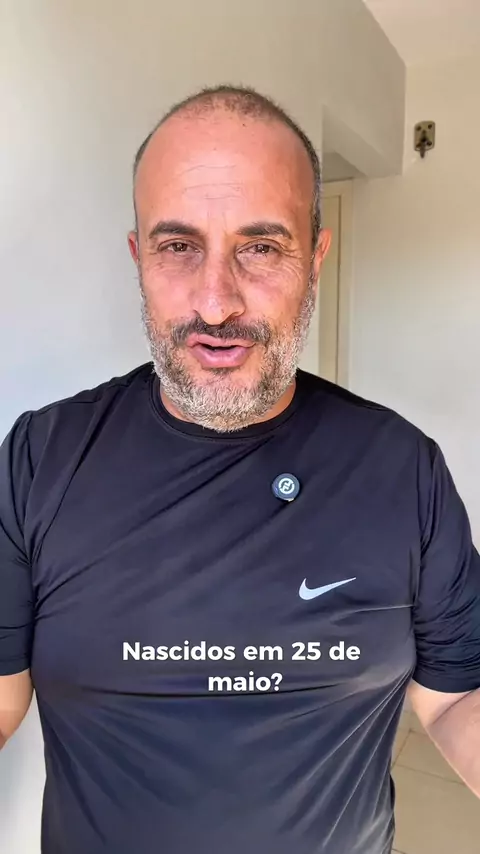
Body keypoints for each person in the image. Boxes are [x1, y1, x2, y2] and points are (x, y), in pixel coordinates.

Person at [1, 84, 479, 854]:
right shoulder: (39, 459)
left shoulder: (403, 468)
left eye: (260, 247)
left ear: (315, 258)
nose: (217, 303)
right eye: (178, 246)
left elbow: (458, 699)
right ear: (139, 257)